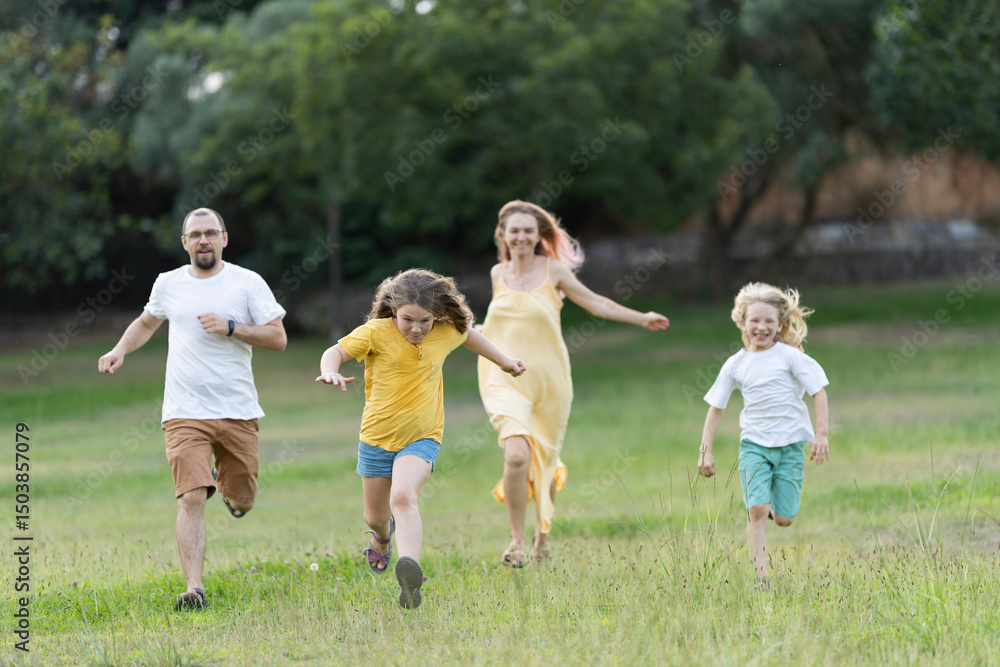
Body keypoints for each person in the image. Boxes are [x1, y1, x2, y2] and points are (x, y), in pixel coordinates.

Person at [98, 207, 287, 611]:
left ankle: (229, 488)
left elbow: (278, 338)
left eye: (211, 233)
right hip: (184, 412)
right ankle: (194, 589)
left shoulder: (247, 282)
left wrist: (232, 327)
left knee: (243, 500)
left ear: (224, 238)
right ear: (184, 242)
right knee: (190, 498)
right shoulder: (168, 284)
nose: (203, 240)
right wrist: (119, 349)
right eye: (195, 234)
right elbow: (146, 323)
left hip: (237, 409)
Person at [316, 268, 525, 609]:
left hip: (423, 437)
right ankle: (382, 540)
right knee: (375, 517)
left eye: (425, 321)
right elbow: (335, 352)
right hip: (376, 439)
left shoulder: (445, 331)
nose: (416, 328)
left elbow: (469, 335)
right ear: (394, 310)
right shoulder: (375, 332)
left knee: (403, 496)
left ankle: (409, 574)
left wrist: (503, 361)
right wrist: (330, 371)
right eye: (408, 319)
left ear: (437, 315)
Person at [477, 200, 670, 568]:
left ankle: (541, 538)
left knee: (545, 459)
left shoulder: (555, 271)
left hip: (549, 380)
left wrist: (641, 317)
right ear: (502, 235)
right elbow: (496, 324)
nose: (521, 236)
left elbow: (597, 304)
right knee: (517, 454)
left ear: (539, 235)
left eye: (528, 231)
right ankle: (517, 541)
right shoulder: (497, 274)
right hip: (503, 376)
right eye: (514, 230)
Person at [697, 282, 830, 590]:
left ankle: (773, 507)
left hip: (789, 448)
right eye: (755, 320)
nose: (761, 326)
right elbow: (716, 408)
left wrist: (821, 435)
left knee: (784, 518)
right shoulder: (736, 364)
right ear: (743, 323)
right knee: (755, 510)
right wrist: (705, 449)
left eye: (769, 321)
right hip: (754, 446)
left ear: (780, 325)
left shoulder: (790, 357)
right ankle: (760, 576)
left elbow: (819, 392)